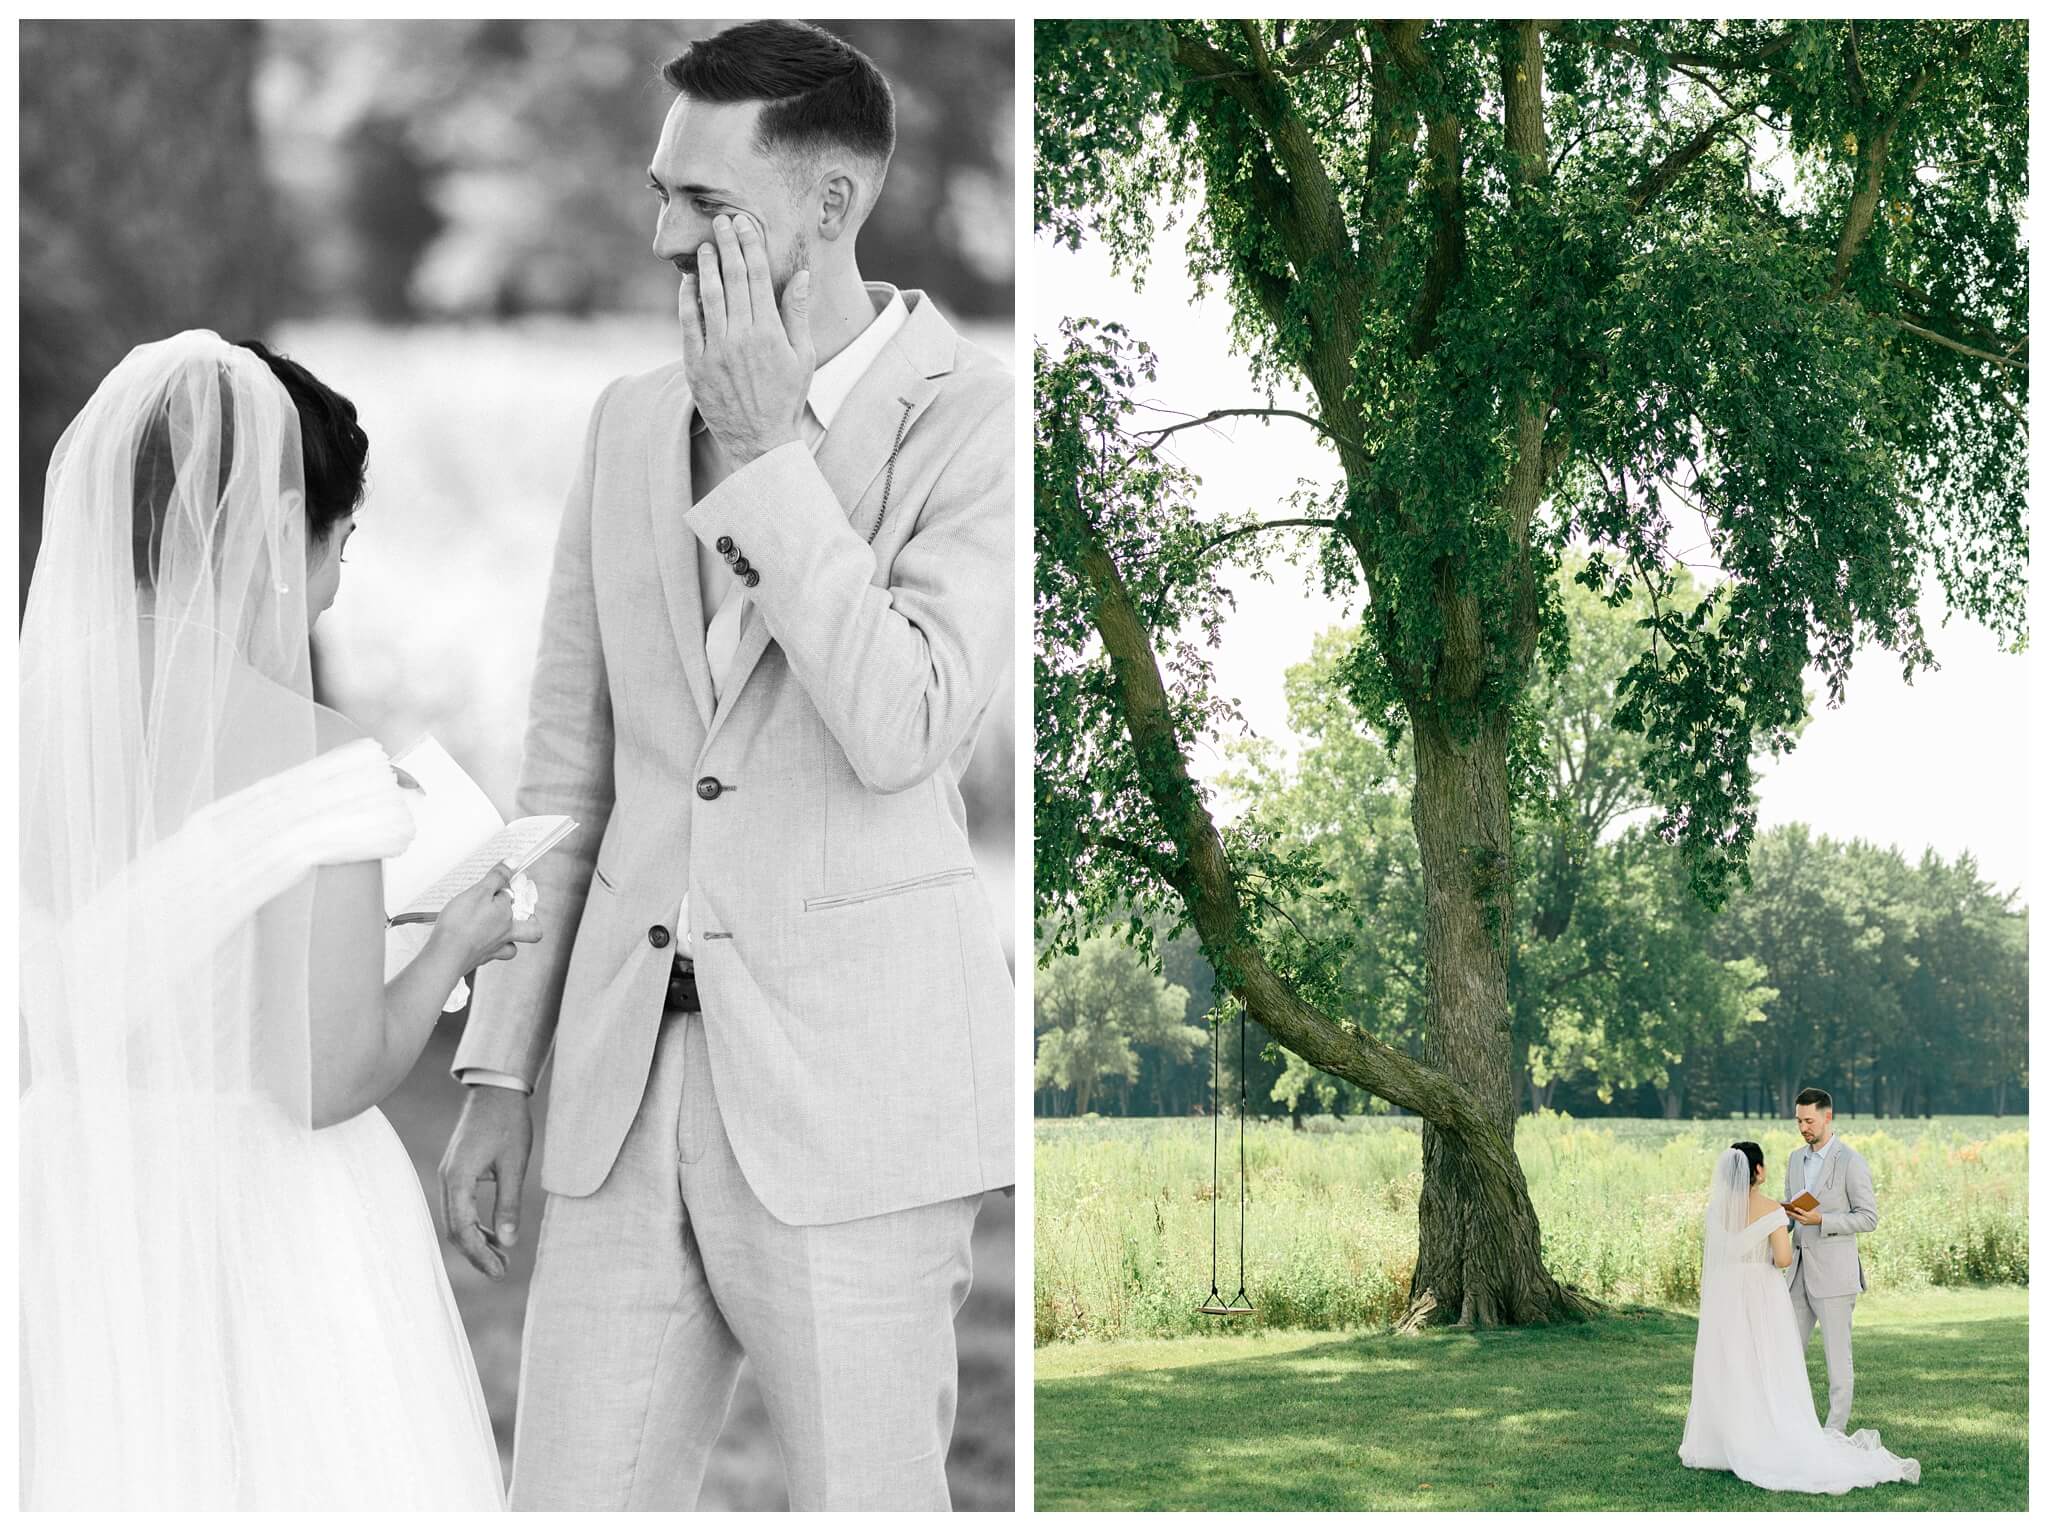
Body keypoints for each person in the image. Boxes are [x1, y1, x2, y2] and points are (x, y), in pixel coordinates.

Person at [438, 19, 1014, 1512]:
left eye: (701, 203)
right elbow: (565, 769)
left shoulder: (979, 425)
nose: (657, 234)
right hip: (625, 1089)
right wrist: (498, 1066)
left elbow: (908, 720)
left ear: (828, 208)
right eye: (658, 191)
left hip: (856, 1100)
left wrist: (767, 453)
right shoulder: (626, 425)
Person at [18, 331, 534, 1508]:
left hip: (66, 1208)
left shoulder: (26, 744)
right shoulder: (316, 757)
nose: (336, 581)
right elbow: (325, 1072)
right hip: (255, 1233)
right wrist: (457, 938)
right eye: (337, 543)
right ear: (270, 537)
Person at [1679, 1142, 1918, 1494]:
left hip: (1725, 1294)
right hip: (1760, 1293)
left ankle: (1721, 1441)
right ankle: (1767, 1434)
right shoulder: (1772, 1209)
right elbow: (1782, 1259)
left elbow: (1720, 1251)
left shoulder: (1716, 1210)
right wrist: (1777, 1227)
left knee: (1729, 1360)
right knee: (1767, 1362)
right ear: (1758, 1171)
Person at [1783, 1086, 1878, 1431]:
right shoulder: (1795, 1159)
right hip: (1796, 1274)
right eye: (1798, 1121)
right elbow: (1792, 1212)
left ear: (1827, 1117)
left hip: (1835, 1278)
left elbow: (1868, 1217)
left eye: (1809, 1120)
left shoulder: (1850, 1161)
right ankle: (1792, 1427)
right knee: (1786, 1357)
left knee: (1838, 1362)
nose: (1803, 1127)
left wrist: (1823, 1220)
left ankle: (1833, 1434)